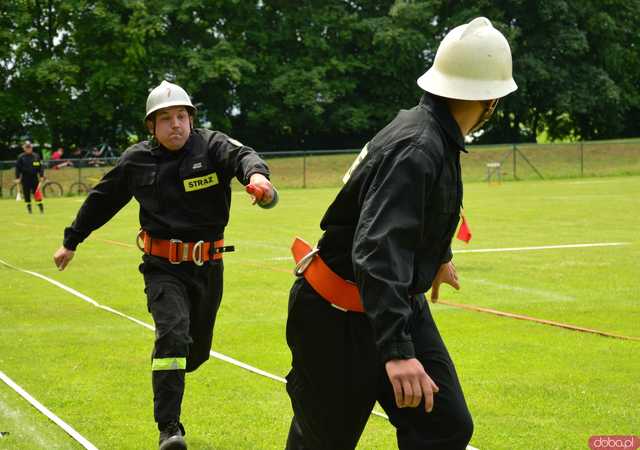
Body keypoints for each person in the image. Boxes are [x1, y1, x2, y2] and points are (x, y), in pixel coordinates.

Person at [284, 17, 517, 450]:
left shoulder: (431, 134)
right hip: (338, 317)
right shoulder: (418, 145)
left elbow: (416, 209)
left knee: (444, 425)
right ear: (491, 98)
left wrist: (437, 255)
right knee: (324, 443)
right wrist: (397, 351)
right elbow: (376, 247)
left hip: (390, 303)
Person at [52, 80, 278, 450]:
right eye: (166, 119)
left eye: (181, 116)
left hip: (208, 268)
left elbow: (243, 156)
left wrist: (257, 177)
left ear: (191, 119)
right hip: (162, 268)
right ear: (152, 127)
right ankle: (169, 429)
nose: (176, 124)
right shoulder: (136, 160)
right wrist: (70, 241)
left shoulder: (211, 144)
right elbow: (102, 199)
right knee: (172, 337)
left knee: (195, 352)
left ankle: (177, 365)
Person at [14, 140, 45, 214]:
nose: (28, 149)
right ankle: (29, 210)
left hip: (34, 178)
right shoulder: (21, 157)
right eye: (27, 147)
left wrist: (41, 175)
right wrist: (17, 177)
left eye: (29, 147)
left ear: (31, 147)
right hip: (25, 178)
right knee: (26, 194)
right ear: (24, 148)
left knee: (37, 193)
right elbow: (17, 168)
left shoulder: (36, 156)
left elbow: (40, 167)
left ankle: (41, 209)